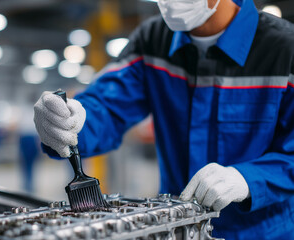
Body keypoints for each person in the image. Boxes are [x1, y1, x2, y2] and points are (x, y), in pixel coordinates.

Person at [34, 0, 294, 238]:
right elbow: (106, 105)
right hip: (177, 230)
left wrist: (248, 179)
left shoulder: (285, 49)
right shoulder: (153, 41)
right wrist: (68, 120)